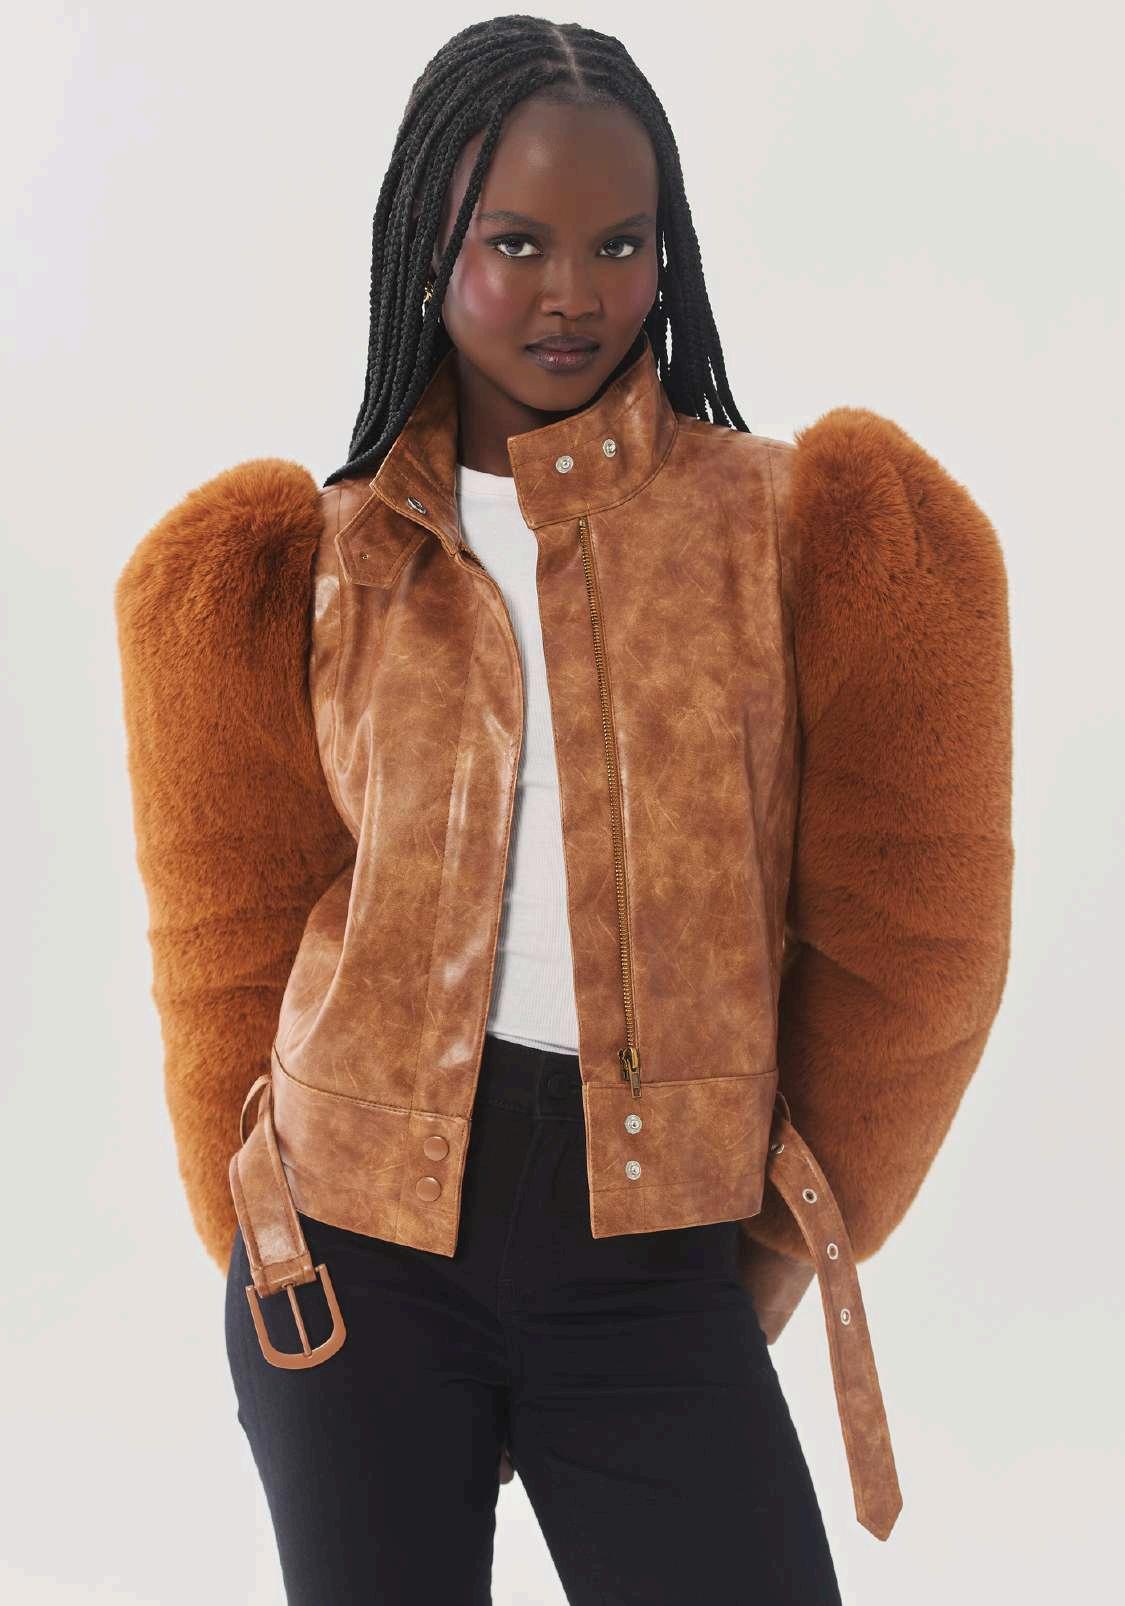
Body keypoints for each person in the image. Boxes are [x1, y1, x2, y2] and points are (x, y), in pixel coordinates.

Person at [114, 15, 1013, 1605]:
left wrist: (764, 1243)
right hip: (349, 1263)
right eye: (515, 241)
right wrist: (253, 1229)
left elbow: (912, 936)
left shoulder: (793, 535)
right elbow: (227, 937)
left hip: (653, 1270)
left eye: (620, 242)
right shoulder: (304, 568)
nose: (573, 290)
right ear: (427, 243)